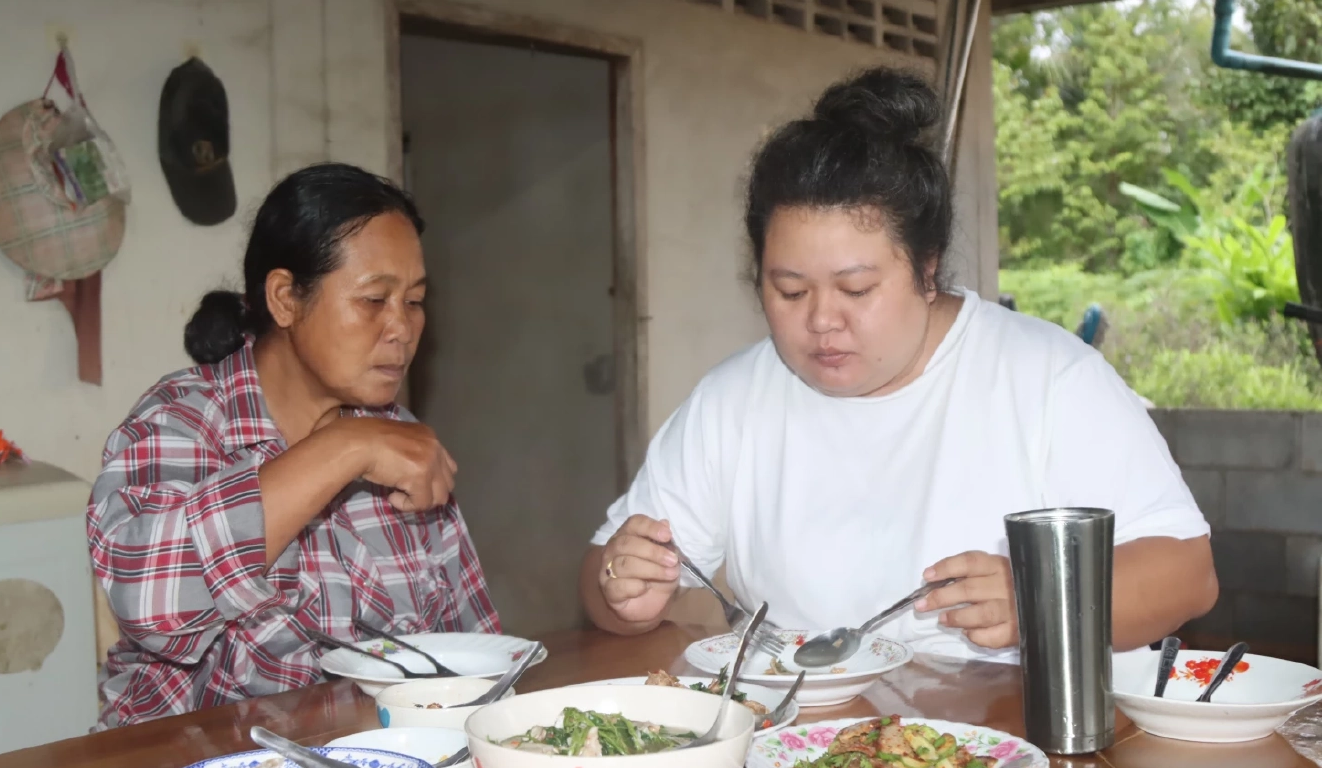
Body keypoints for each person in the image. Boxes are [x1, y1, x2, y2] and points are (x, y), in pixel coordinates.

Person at [582, 68, 1217, 660]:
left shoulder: (1046, 377)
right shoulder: (733, 400)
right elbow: (602, 578)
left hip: (1012, 748)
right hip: (795, 744)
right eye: (790, 291)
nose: (822, 319)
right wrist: (623, 592)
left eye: (856, 289)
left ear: (927, 268)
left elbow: (1187, 575)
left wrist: (1039, 601)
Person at [89, 163, 499, 728]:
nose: (401, 328)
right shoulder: (181, 425)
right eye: (374, 299)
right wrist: (345, 449)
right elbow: (151, 606)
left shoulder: (401, 441)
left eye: (414, 301)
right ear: (284, 298)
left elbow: (475, 648)